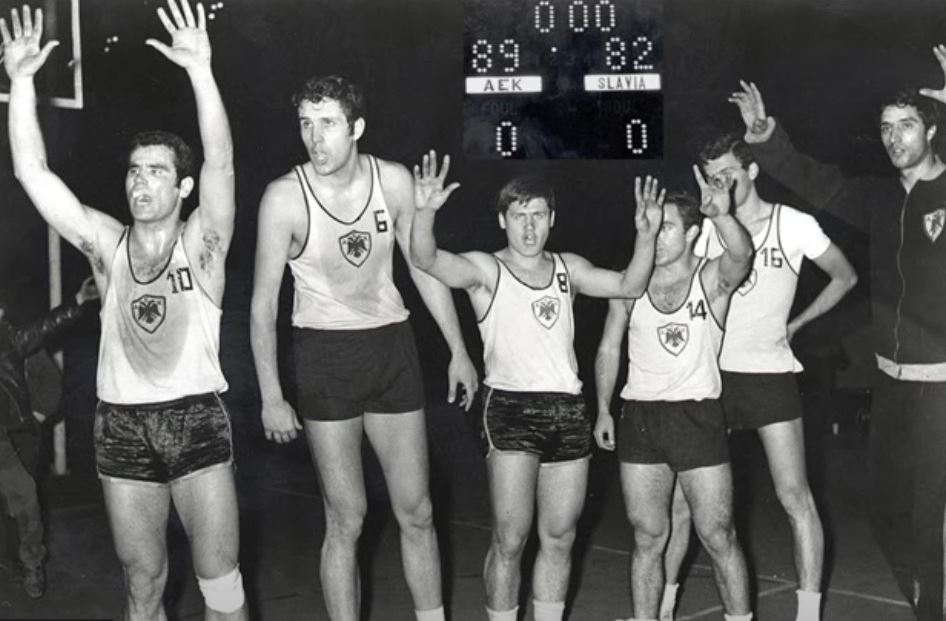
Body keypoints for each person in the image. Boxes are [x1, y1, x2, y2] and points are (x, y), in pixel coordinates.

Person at [3, 2, 246, 619]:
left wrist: (201, 71)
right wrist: (22, 83)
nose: (140, 182)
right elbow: (33, 173)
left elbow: (221, 162)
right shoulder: (107, 246)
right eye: (135, 171)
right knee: (142, 584)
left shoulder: (203, 244)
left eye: (156, 172)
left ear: (183, 187)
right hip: (121, 426)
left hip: (195, 419)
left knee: (221, 587)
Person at [727, 50, 946, 619]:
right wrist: (767, 139)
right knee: (884, 509)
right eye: (886, 128)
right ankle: (931, 598)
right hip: (893, 383)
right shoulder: (880, 197)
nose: (894, 138)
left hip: (943, 387)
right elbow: (819, 183)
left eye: (907, 125)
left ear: (932, 129)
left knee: (931, 518)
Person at [249, 78, 478, 621]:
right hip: (324, 355)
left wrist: (458, 349)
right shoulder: (284, 198)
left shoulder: (393, 181)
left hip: (391, 348)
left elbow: (423, 267)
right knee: (346, 517)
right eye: (306, 124)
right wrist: (271, 395)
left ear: (356, 128)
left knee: (418, 511)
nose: (314, 138)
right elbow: (262, 305)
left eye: (327, 123)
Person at [409, 155, 663, 621]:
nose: (529, 228)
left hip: (568, 409)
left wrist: (645, 237)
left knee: (560, 537)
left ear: (552, 219)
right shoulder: (485, 270)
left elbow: (629, 285)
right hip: (509, 409)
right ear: (502, 220)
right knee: (510, 539)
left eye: (538, 216)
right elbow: (426, 259)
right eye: (519, 216)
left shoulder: (569, 268)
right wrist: (424, 213)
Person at [656, 133, 858, 621]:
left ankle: (807, 613)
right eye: (711, 177)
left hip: (769, 375)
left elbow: (845, 276)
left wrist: (797, 324)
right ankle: (662, 608)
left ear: (752, 171)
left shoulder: (794, 224)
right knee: (682, 505)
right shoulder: (706, 229)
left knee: (795, 497)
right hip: (709, 379)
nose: (719, 186)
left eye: (727, 174)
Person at [594, 168, 755, 621]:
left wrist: (722, 215)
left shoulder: (711, 278)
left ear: (692, 233)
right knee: (647, 537)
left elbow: (742, 254)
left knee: (718, 535)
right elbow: (608, 347)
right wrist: (602, 408)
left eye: (665, 226)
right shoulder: (629, 284)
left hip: (696, 417)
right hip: (640, 417)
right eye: (648, 223)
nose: (654, 234)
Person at [0, 277, 98, 599]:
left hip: (5, 439)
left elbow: (44, 327)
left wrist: (77, 302)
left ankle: (32, 564)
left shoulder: (11, 340)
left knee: (25, 497)